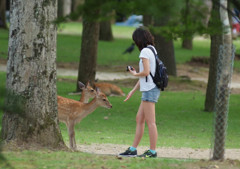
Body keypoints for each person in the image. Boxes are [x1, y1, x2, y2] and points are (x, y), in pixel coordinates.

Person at [119, 27, 160, 158]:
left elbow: (146, 72)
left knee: (151, 122)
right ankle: (133, 149)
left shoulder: (144, 52)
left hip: (149, 90)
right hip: (150, 88)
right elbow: (148, 75)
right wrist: (132, 90)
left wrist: (134, 73)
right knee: (139, 119)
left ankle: (152, 151)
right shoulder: (152, 49)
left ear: (138, 40)